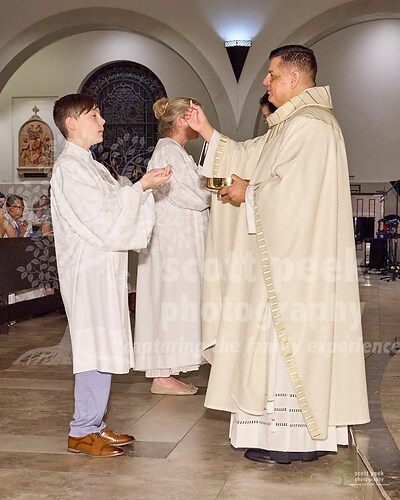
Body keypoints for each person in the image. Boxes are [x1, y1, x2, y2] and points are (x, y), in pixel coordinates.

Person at [185, 45, 370, 464]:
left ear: (294, 77)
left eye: (271, 74)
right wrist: (209, 133)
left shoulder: (312, 126)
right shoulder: (289, 125)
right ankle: (278, 437)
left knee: (290, 344)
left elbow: (295, 196)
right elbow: (252, 156)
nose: (266, 82)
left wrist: (248, 192)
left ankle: (293, 443)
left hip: (297, 269)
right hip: (282, 263)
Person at [50, 93, 172, 458]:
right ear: (71, 123)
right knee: (92, 347)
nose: (102, 121)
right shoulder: (69, 169)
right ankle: (81, 430)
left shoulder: (92, 166)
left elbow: (116, 205)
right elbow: (102, 217)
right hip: (86, 271)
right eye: (94, 115)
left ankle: (93, 424)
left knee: (102, 345)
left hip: (102, 268)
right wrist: (141, 188)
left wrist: (140, 189)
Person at [135, 97, 211, 395]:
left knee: (175, 302)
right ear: (181, 121)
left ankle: (166, 372)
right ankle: (162, 375)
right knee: (170, 301)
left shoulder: (175, 151)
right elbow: (193, 195)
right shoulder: (168, 151)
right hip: (172, 245)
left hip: (177, 241)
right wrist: (219, 187)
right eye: (193, 116)